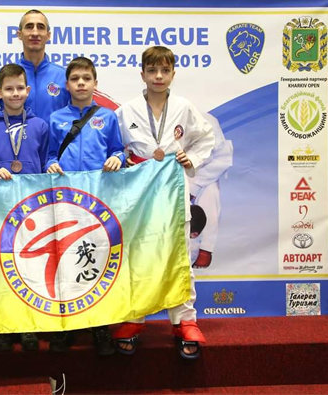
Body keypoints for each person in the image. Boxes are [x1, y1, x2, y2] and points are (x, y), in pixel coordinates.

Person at [115, 46, 215, 360]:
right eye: (152, 70)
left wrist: (191, 157)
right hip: (139, 191)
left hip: (173, 188)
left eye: (165, 71)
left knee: (180, 257)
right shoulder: (126, 110)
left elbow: (206, 137)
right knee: (137, 256)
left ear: (172, 74)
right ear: (142, 74)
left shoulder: (184, 107)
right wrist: (121, 160)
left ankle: (185, 320)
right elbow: (114, 145)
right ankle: (134, 318)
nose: (158, 76)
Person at [46, 56, 125, 356]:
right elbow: (49, 155)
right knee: (66, 259)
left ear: (95, 83)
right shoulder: (56, 119)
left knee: (97, 259)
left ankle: (99, 325)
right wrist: (51, 163)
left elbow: (118, 150)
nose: (81, 83)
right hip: (65, 200)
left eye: (86, 78)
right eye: (75, 79)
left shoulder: (108, 117)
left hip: (98, 201)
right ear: (67, 85)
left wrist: (117, 158)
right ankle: (66, 324)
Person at [0, 63, 49, 350]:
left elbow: (45, 161)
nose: (15, 93)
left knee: (30, 265)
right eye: (9, 89)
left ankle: (28, 324)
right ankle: (4, 326)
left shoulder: (40, 125)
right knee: (1, 265)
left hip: (32, 208)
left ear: (28, 90)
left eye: (19, 88)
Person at [0, 9, 70, 146]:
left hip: (53, 158)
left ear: (48, 35)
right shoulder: (3, 75)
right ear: (19, 34)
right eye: (29, 26)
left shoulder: (64, 77)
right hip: (13, 156)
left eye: (40, 27)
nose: (35, 32)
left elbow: (83, 116)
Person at [188, 113, 233, 269]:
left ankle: (205, 249)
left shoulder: (208, 121)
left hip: (204, 174)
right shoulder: (163, 119)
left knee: (210, 192)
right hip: (174, 173)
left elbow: (223, 160)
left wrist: (194, 187)